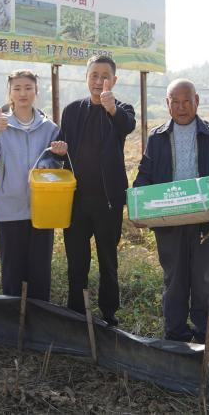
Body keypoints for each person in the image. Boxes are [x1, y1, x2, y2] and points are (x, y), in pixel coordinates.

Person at [132, 79, 209, 343]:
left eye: (186, 101)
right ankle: (176, 336)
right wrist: (138, 206)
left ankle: (206, 335)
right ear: (167, 104)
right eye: (175, 102)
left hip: (206, 220)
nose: (181, 107)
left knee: (203, 278)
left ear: (197, 101)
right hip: (169, 220)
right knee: (174, 279)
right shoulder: (157, 137)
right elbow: (145, 174)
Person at [50, 55, 135, 327]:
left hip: (108, 201)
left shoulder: (122, 109)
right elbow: (62, 149)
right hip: (75, 199)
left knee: (108, 260)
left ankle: (109, 314)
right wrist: (59, 151)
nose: (99, 81)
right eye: (94, 75)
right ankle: (76, 314)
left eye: (105, 76)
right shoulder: (72, 110)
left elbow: (127, 125)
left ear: (114, 80)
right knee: (77, 261)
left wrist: (111, 108)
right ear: (86, 78)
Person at [0, 70, 64, 301]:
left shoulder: (50, 128)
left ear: (36, 91)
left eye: (28, 88)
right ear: (10, 92)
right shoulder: (1, 124)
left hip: (42, 210)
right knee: (12, 273)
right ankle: (12, 320)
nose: (23, 93)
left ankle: (39, 319)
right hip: (10, 209)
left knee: (40, 272)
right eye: (17, 88)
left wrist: (60, 154)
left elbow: (56, 166)